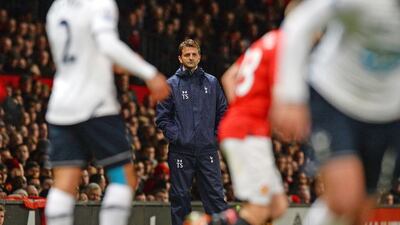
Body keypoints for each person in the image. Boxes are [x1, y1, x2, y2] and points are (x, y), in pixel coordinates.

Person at [271, 0, 400, 224]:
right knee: (343, 200)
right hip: (335, 98)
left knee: (360, 211)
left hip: (388, 111)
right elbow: (300, 21)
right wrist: (290, 95)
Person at [44, 0, 170, 225]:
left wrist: (113, 64)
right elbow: (107, 43)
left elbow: (82, 55)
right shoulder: (99, 3)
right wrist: (149, 73)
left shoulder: (57, 8)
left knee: (64, 184)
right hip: (96, 105)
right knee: (123, 179)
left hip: (61, 105)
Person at [186, 30, 288, 225]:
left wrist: (242, 111)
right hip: (248, 132)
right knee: (259, 209)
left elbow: (229, 77)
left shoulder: (265, 42)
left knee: (278, 205)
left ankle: (207, 222)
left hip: (243, 128)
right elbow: (280, 89)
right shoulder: (287, 45)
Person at [156, 39, 228, 225]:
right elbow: (162, 118)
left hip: (207, 151)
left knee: (216, 198)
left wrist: (214, 137)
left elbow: (223, 112)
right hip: (181, 151)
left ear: (199, 57)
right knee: (179, 198)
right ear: (180, 58)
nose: (191, 57)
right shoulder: (171, 84)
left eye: (194, 54)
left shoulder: (212, 82)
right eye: (187, 54)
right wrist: (178, 137)